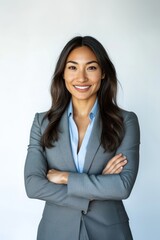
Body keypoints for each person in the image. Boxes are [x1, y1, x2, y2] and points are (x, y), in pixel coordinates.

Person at [24, 36, 140, 240]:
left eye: (91, 68)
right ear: (63, 73)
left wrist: (65, 178)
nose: (81, 77)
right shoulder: (42, 122)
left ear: (103, 72)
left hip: (109, 232)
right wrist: (100, 184)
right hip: (55, 232)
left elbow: (122, 186)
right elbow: (33, 185)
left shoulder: (126, 121)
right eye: (73, 67)